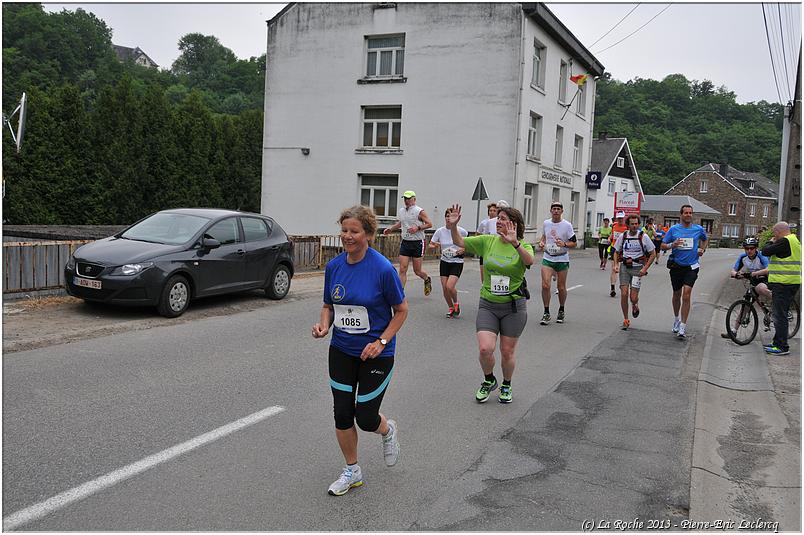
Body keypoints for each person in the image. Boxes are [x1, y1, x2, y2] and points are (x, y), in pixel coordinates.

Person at [313, 206, 409, 496]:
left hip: (377, 353)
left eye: (354, 231)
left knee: (365, 417)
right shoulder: (334, 267)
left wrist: (380, 342)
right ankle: (352, 470)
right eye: (344, 230)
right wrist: (323, 326)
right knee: (342, 413)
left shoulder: (382, 269)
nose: (347, 236)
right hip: (342, 349)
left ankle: (387, 430)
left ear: (368, 234)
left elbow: (401, 311)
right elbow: (330, 305)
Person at [445, 204, 534, 404]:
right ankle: (489, 380)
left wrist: (516, 244)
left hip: (513, 307)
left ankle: (506, 384)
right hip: (488, 304)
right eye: (498, 218)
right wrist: (452, 227)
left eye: (503, 218)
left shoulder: (524, 246)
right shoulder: (488, 241)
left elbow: (530, 261)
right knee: (485, 349)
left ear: (515, 224)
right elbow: (460, 241)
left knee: (507, 351)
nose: (499, 222)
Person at [661, 204, 708, 339]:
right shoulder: (673, 229)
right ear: (681, 215)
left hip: (691, 266)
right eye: (686, 213)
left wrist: (702, 249)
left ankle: (683, 326)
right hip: (677, 266)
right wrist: (672, 245)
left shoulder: (698, 229)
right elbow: (663, 245)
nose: (688, 215)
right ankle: (676, 319)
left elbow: (705, 240)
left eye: (690, 213)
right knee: (677, 294)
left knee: (686, 295)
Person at [761, 221, 801, 355]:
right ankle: (777, 342)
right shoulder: (795, 240)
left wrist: (770, 242)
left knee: (780, 315)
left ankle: (782, 346)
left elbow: (765, 251)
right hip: (791, 282)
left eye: (774, 233)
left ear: (778, 232)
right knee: (780, 313)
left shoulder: (784, 241)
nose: (774, 236)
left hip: (783, 283)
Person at [383, 190, 433, 295]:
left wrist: (418, 228)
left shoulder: (419, 211)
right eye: (405, 198)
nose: (406, 200)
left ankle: (426, 279)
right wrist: (390, 229)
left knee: (417, 271)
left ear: (414, 199)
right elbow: (401, 223)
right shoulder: (401, 211)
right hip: (405, 242)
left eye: (409, 198)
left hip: (417, 243)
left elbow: (429, 224)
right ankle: (400, 293)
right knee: (402, 268)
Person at [613, 214, 657, 329]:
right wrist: (616, 264)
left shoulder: (643, 236)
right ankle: (626, 319)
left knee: (633, 297)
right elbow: (616, 251)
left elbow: (653, 254)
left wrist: (645, 268)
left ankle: (635, 304)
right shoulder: (623, 236)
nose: (634, 226)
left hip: (638, 268)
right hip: (625, 268)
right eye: (632, 224)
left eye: (636, 224)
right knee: (623, 293)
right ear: (628, 225)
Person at [537, 202, 577, 325]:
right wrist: (541, 243)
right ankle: (546, 312)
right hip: (548, 257)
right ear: (550, 210)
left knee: (561, 287)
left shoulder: (567, 225)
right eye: (554, 209)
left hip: (562, 258)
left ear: (562, 211)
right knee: (545, 285)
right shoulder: (546, 223)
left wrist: (564, 244)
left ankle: (561, 309)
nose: (555, 211)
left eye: (558, 209)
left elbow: (574, 243)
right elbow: (544, 237)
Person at [429, 208, 468, 317]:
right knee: (444, 288)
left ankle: (456, 303)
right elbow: (430, 244)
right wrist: (435, 245)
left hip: (457, 261)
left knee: (449, 286)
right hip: (445, 261)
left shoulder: (462, 231)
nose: (448, 218)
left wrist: (463, 250)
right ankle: (451, 308)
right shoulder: (440, 231)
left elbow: (468, 245)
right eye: (447, 216)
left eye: (450, 216)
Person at [607, 212, 628, 297]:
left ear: (624, 218)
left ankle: (624, 286)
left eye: (621, 218)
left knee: (624, 269)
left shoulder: (627, 227)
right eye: (618, 218)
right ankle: (612, 288)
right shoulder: (614, 226)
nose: (620, 220)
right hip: (614, 248)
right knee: (614, 269)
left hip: (624, 250)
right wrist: (609, 238)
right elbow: (612, 235)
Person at [477, 202, 498, 282]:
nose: (492, 212)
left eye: (494, 210)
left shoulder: (499, 222)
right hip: (485, 250)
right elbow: (478, 234)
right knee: (483, 273)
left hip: (495, 250)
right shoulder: (484, 222)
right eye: (490, 210)